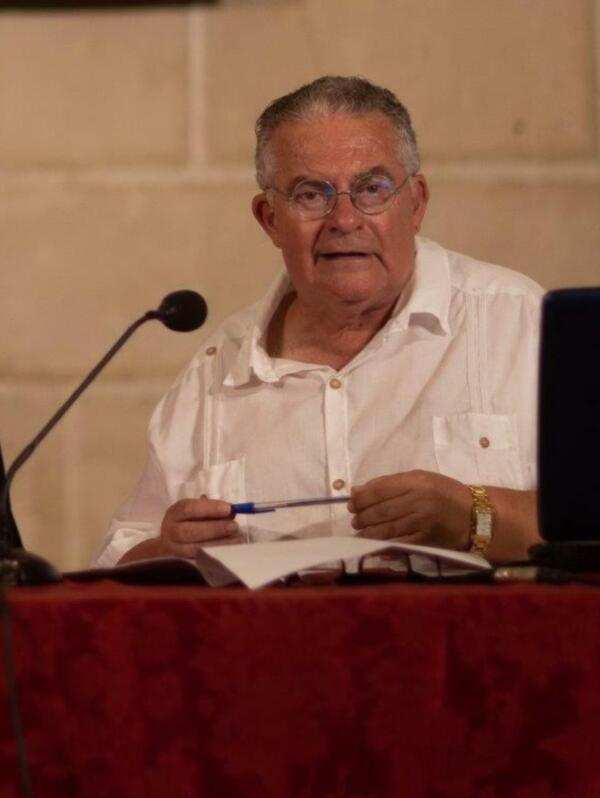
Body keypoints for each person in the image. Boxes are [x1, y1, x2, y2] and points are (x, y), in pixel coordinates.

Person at [93, 75, 543, 569]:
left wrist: (474, 517)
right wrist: (167, 551)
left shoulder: (519, 324)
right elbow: (119, 555)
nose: (345, 219)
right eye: (311, 194)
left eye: (372, 189)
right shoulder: (215, 374)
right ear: (269, 219)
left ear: (416, 203)